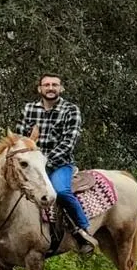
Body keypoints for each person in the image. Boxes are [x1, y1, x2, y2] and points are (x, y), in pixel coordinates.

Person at [16, 73, 99, 255]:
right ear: (40, 89)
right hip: (32, 164)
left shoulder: (71, 110)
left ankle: (82, 231)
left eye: (55, 85)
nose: (50, 88)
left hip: (60, 163)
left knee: (61, 191)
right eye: (46, 85)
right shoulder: (29, 109)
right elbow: (20, 138)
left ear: (61, 88)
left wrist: (44, 162)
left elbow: (69, 142)